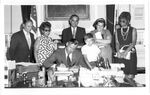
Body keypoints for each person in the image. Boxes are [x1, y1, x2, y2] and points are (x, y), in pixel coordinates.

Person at [115, 12, 137, 87]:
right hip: (121, 52)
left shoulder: (133, 30)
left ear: (128, 21)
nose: (121, 23)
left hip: (130, 52)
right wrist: (118, 52)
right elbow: (117, 43)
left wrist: (126, 52)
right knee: (122, 74)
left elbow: (133, 43)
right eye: (120, 21)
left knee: (130, 75)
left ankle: (135, 88)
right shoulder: (117, 30)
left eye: (123, 21)